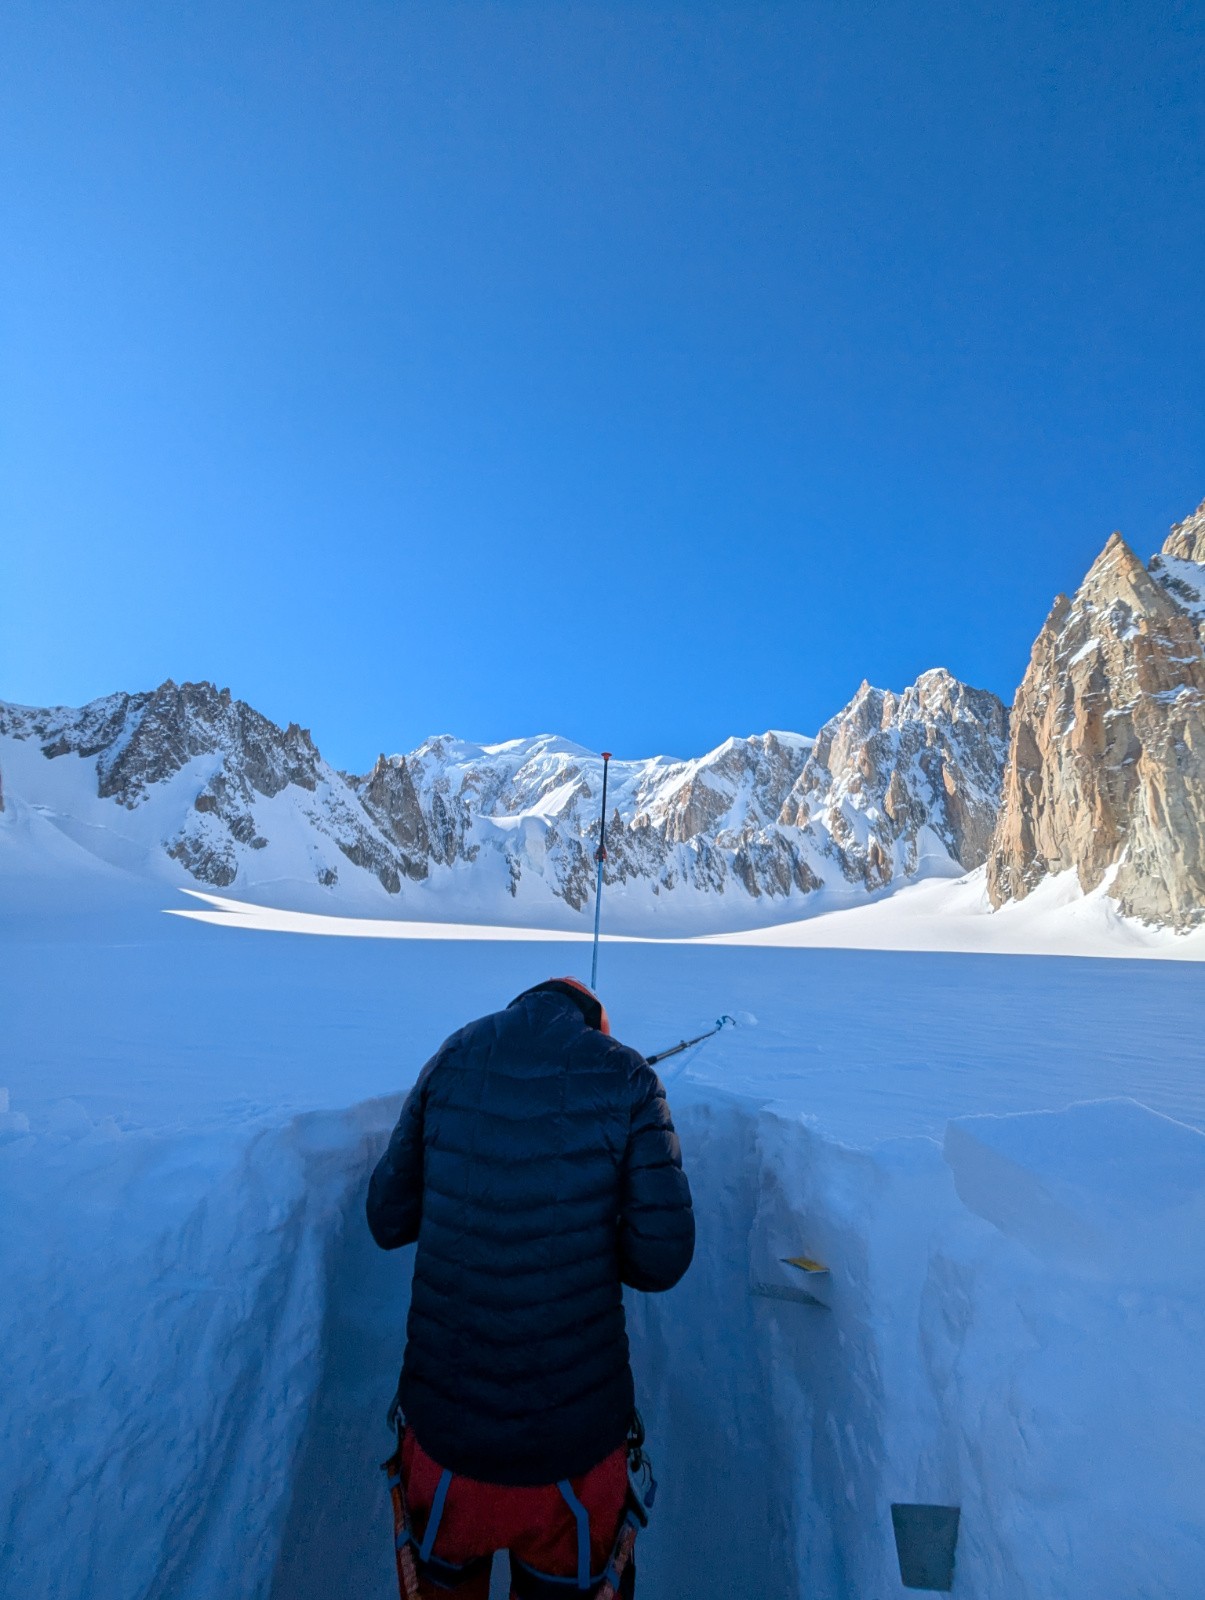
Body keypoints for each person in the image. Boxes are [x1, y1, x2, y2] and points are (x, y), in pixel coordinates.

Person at [366, 976, 695, 1600]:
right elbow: (663, 1260)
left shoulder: (452, 1056)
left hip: (442, 1449)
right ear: (596, 1023)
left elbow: (386, 1219)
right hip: (574, 1462)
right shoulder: (629, 1078)